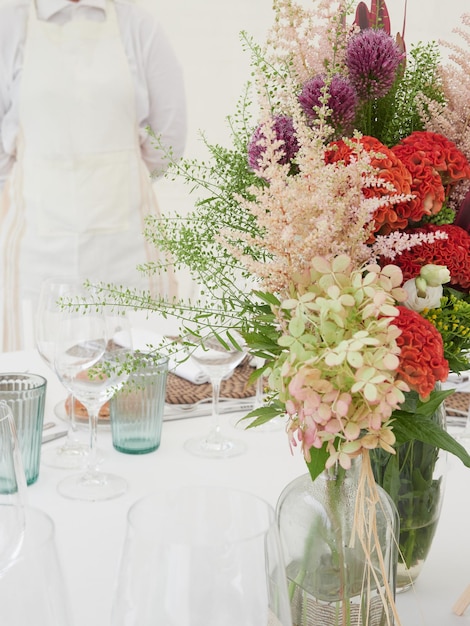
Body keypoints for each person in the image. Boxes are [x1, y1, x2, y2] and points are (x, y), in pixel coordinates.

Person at [0, 0, 187, 350]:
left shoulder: (139, 27)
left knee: (134, 381)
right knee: (38, 377)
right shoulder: (8, 27)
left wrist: (119, 178)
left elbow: (170, 142)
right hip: (35, 257)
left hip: (129, 257)